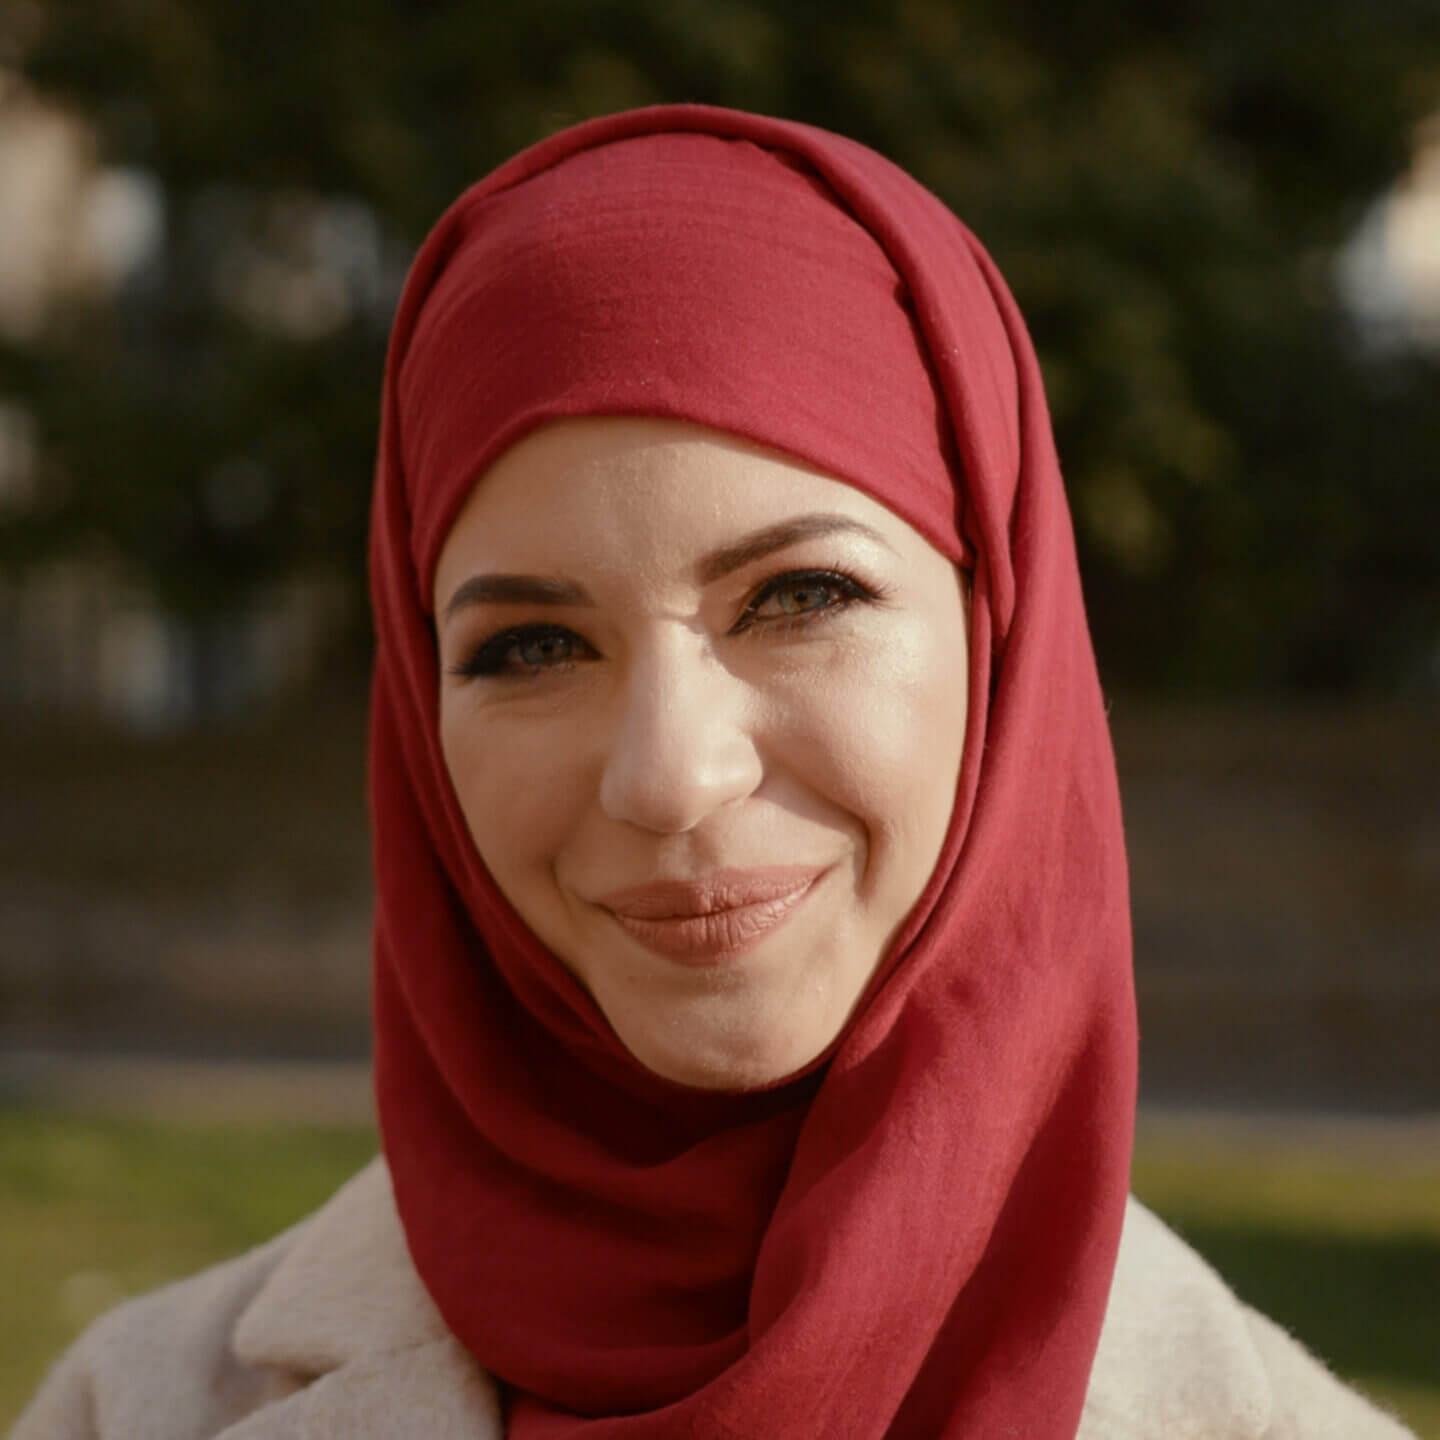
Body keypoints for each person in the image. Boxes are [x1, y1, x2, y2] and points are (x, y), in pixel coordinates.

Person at [13, 104, 1413, 1440]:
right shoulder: (135, 1412)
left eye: (799, 597)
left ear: (1002, 636)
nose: (670, 777)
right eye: (532, 645)